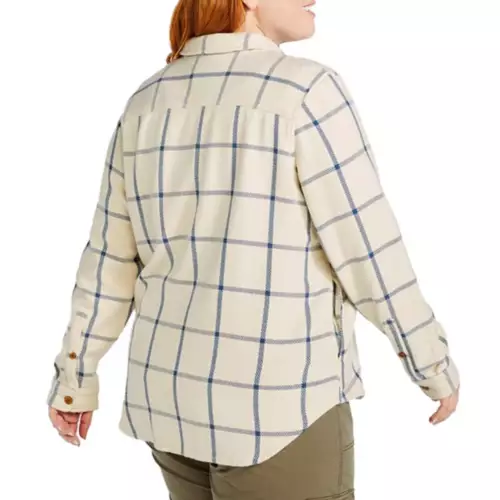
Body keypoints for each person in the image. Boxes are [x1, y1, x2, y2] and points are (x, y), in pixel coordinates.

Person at [47, 0, 460, 498]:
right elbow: (368, 250)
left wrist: (74, 379)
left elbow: (108, 263)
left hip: (170, 406)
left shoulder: (147, 102)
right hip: (278, 412)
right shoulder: (306, 90)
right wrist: (430, 363)